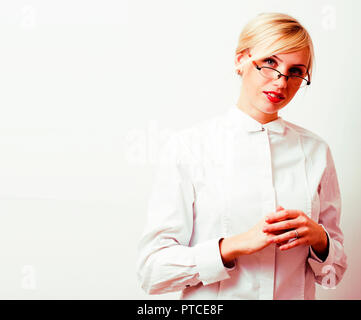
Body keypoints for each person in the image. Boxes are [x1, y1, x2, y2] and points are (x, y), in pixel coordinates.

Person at [136, 12, 347, 300]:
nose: (281, 81)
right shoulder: (189, 147)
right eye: (270, 63)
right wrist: (232, 246)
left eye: (296, 71)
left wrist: (321, 240)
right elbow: (151, 272)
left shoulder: (316, 152)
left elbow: (333, 275)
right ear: (241, 60)